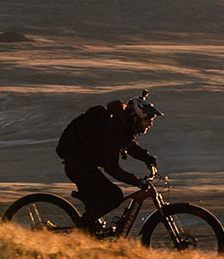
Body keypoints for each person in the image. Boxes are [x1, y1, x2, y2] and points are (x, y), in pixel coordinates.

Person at [56, 92, 162, 234]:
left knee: (98, 211)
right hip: (79, 168)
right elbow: (111, 167)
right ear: (135, 118)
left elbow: (129, 146)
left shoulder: (121, 127)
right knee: (114, 196)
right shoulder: (115, 130)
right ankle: (79, 231)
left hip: (84, 167)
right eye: (148, 119)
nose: (150, 123)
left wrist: (147, 158)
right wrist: (135, 181)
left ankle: (87, 230)